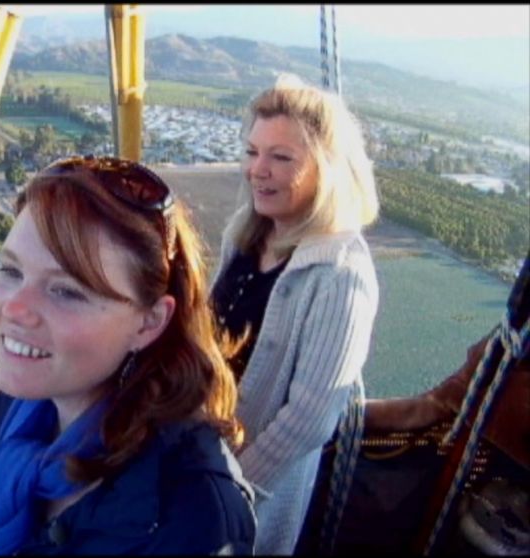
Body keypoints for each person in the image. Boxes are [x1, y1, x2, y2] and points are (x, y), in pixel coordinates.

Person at [0, 155, 257, 555]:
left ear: (148, 323)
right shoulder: (23, 406)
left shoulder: (196, 519)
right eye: (11, 270)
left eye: (67, 291)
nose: (14, 309)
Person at [209, 74, 380, 554]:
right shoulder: (245, 235)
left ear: (327, 171)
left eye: (280, 157)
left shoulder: (340, 273)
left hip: (246, 492)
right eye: (252, 152)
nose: (256, 170)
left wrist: (233, 486)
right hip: (196, 450)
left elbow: (310, 416)